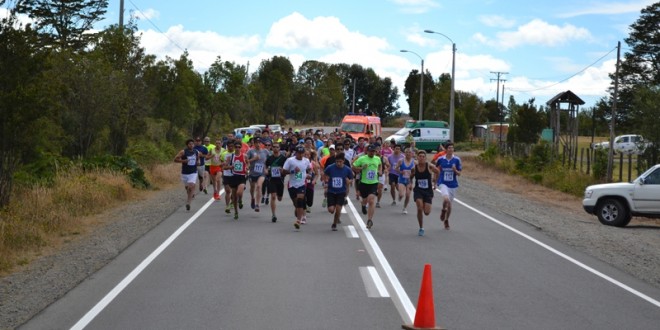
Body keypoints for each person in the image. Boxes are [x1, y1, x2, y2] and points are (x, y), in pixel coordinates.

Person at [352, 144, 382, 229]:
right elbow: (353, 166)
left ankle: (369, 220)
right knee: (364, 200)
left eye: (373, 151)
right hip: (364, 183)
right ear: (367, 151)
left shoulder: (377, 158)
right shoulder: (362, 158)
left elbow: (380, 165)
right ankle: (363, 205)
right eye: (370, 151)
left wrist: (380, 171)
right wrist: (361, 168)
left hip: (374, 183)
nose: (372, 153)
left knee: (371, 200)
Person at [283, 145, 312, 230]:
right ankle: (300, 212)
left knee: (300, 200)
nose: (300, 155)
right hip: (292, 185)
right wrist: (292, 171)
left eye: (301, 153)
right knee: (296, 204)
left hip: (302, 184)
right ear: (295, 153)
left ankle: (298, 220)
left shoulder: (306, 161)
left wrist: (309, 174)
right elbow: (283, 171)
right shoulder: (290, 160)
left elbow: (309, 169)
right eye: (298, 153)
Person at [412, 150, 440, 236]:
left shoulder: (429, 166)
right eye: (420, 156)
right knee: (419, 208)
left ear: (425, 158)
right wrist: (409, 183)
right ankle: (421, 228)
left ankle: (424, 203)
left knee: (427, 212)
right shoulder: (414, 168)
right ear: (417, 157)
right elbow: (410, 176)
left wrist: (435, 182)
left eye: (423, 157)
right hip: (418, 190)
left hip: (428, 191)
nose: (421, 158)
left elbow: (438, 171)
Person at [324, 153, 353, 231]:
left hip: (341, 192)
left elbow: (351, 178)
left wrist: (349, 181)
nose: (338, 163)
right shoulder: (330, 167)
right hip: (331, 191)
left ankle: (334, 223)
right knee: (331, 210)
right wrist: (326, 183)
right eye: (337, 161)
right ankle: (330, 206)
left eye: (340, 161)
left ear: (343, 161)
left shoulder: (347, 169)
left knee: (338, 209)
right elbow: (325, 174)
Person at [436, 142, 462, 230]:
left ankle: (446, 220)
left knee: (450, 204)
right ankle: (443, 210)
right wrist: (434, 179)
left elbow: (459, 174)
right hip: (443, 182)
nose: (451, 149)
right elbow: (435, 169)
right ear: (446, 150)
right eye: (449, 148)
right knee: (446, 199)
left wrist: (455, 170)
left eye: (452, 148)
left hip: (453, 184)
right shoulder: (440, 159)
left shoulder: (457, 160)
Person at [174, 139, 200, 211]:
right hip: (185, 173)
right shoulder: (183, 152)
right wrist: (183, 161)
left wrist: (198, 162)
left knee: (191, 186)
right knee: (187, 188)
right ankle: (191, 194)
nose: (191, 145)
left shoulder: (196, 152)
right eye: (190, 144)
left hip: (193, 172)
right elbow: (175, 159)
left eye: (192, 144)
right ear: (187, 145)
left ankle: (188, 203)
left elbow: (198, 160)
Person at [265, 142, 288, 222]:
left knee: (279, 198)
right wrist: (266, 171)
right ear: (272, 148)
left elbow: (286, 170)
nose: (275, 148)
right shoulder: (269, 159)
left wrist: (283, 171)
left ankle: (279, 195)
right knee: (273, 196)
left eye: (277, 147)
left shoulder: (283, 159)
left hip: (280, 180)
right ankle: (273, 215)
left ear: (279, 148)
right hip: (271, 180)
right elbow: (265, 167)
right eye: (274, 147)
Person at [246, 138, 270, 212]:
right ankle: (252, 198)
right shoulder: (250, 151)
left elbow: (269, 161)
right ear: (254, 143)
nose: (258, 144)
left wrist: (267, 169)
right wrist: (253, 159)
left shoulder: (265, 151)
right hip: (252, 173)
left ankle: (257, 204)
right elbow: (246, 161)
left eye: (259, 143)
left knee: (259, 186)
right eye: (256, 143)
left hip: (261, 173)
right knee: (252, 188)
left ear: (261, 144)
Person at [226, 140, 248, 219]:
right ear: (234, 148)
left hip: (242, 176)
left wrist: (247, 168)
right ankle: (236, 211)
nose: (238, 148)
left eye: (239, 147)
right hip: (233, 176)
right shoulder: (231, 157)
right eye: (236, 147)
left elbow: (248, 163)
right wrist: (229, 167)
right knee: (234, 197)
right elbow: (224, 167)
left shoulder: (244, 156)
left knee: (239, 192)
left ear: (241, 147)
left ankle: (240, 200)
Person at [396, 147, 415, 214]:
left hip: (409, 181)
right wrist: (401, 172)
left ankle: (404, 208)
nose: (408, 154)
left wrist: (413, 173)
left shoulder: (414, 162)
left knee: (407, 195)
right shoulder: (401, 161)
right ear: (404, 153)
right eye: (407, 152)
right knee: (401, 194)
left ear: (412, 154)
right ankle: (400, 196)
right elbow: (396, 168)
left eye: (409, 152)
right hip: (402, 179)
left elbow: (417, 171)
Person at [221, 142, 235, 213]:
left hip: (234, 175)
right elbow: (222, 165)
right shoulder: (224, 154)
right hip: (226, 175)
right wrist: (226, 163)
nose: (231, 148)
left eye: (232, 146)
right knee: (228, 191)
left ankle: (233, 202)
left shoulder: (236, 154)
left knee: (233, 191)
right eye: (229, 146)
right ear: (227, 147)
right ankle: (227, 206)